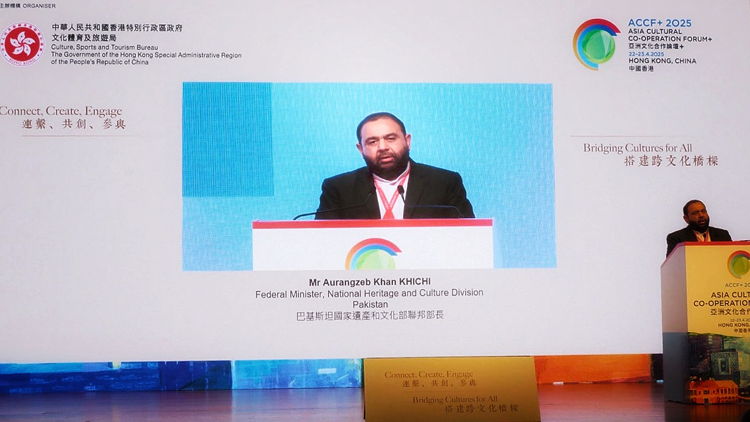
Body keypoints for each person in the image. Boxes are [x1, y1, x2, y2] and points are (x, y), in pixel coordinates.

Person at [316, 112, 474, 219]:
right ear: (360, 149)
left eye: (390, 138)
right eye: (372, 141)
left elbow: (467, 236)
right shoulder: (339, 188)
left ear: (407, 141)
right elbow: (323, 241)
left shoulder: (444, 183)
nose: (382, 147)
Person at [665, 199, 732, 257]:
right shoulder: (677, 238)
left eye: (703, 211)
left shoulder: (723, 235)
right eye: (695, 213)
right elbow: (673, 264)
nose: (701, 215)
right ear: (686, 218)